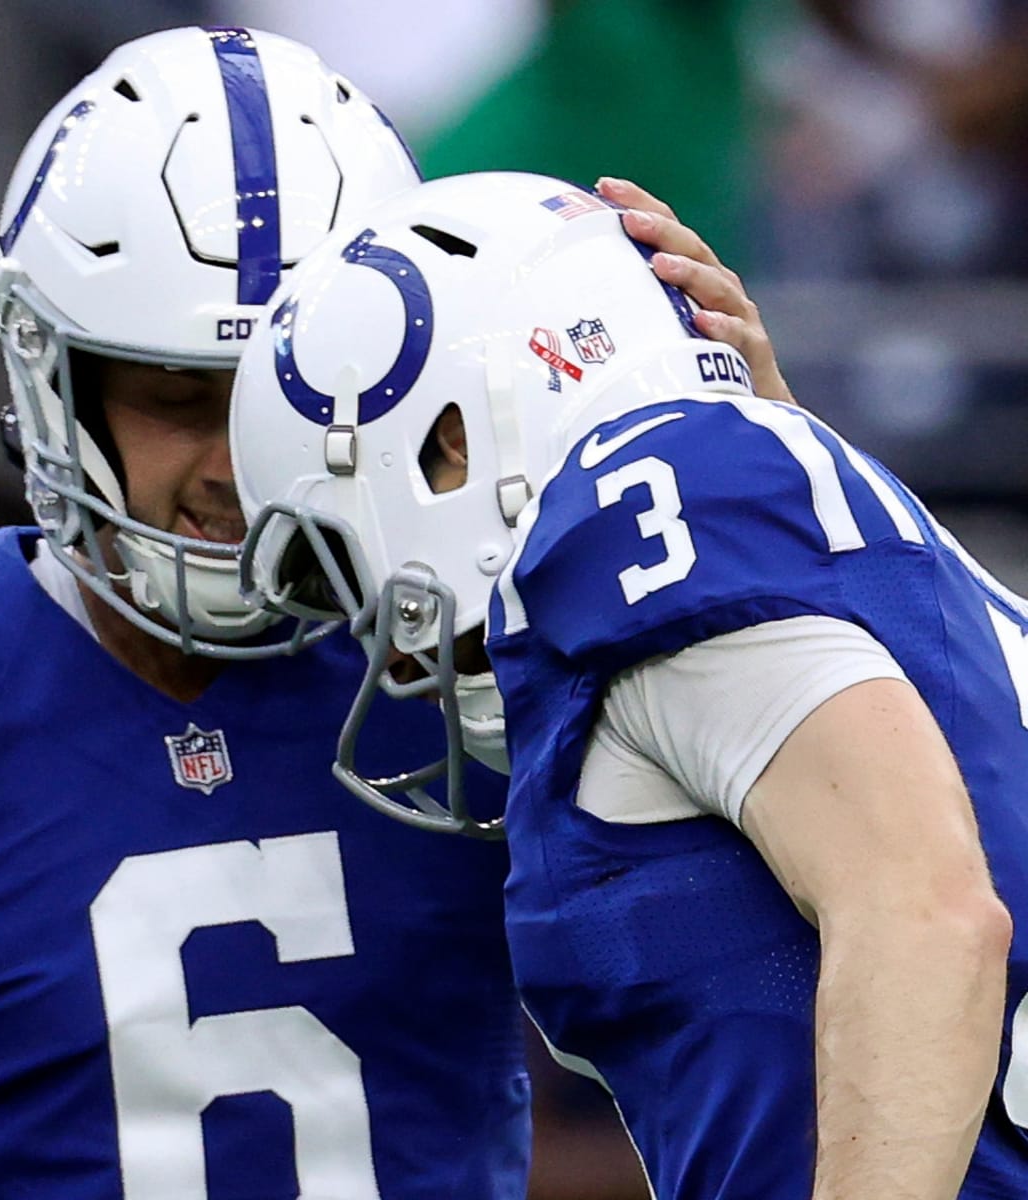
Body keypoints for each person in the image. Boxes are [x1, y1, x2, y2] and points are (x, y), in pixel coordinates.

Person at [0, 27, 777, 1199]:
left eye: (298, 402)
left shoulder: (501, 637)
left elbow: (832, 974)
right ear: (48, 374)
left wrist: (758, 446)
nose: (241, 462)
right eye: (179, 396)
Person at [229, 170, 1026, 1198]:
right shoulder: (811, 525)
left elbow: (928, 916)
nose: (384, 652)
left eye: (344, 560)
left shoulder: (641, 513)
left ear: (453, 441)